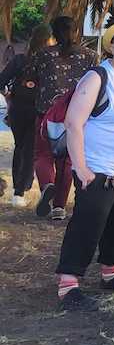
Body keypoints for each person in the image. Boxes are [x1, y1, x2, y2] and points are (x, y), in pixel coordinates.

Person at [54, 19, 114, 311]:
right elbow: (74, 123)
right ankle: (68, 283)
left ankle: (111, 273)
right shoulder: (97, 77)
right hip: (99, 168)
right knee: (88, 224)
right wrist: (81, 168)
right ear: (112, 46)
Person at [32, 15, 96, 219]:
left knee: (43, 155)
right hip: (76, 115)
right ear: (76, 31)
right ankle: (59, 207)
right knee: (68, 161)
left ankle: (46, 185)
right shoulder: (90, 56)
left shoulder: (42, 55)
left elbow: (33, 79)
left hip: (46, 113)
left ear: (53, 33)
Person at [2, 23, 51, 207]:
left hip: (17, 110)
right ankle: (20, 191)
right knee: (29, 150)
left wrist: (9, 97)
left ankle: (20, 189)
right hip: (38, 110)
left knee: (21, 147)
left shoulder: (19, 60)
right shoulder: (48, 62)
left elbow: (2, 81)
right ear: (48, 40)